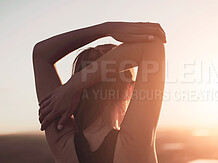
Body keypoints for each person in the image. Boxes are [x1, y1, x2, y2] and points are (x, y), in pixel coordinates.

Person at [33, 22, 166, 163]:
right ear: (130, 89)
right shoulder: (133, 144)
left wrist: (106, 29)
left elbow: (41, 55)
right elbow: (153, 45)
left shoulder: (62, 144)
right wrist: (74, 85)